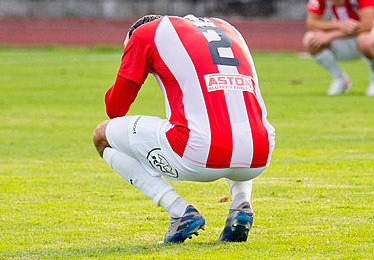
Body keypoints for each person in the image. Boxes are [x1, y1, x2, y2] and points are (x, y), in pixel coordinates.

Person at [92, 14, 276, 244]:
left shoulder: (143, 34)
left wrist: (136, 63)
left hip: (197, 155)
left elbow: (115, 108)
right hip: (259, 154)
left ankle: (179, 211)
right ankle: (241, 204)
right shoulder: (226, 27)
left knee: (102, 135)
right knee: (234, 119)